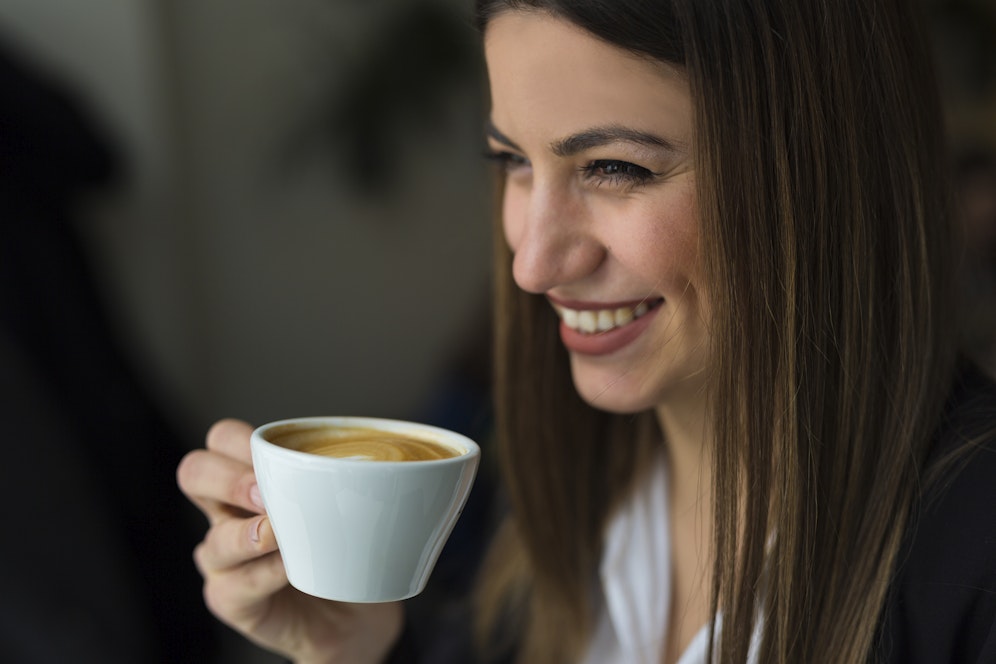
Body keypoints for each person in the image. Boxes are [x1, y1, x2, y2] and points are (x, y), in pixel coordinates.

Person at [176, 1, 996, 662]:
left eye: (615, 168)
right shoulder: (551, 510)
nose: (533, 263)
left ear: (824, 172)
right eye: (512, 161)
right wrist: (357, 652)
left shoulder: (972, 556)